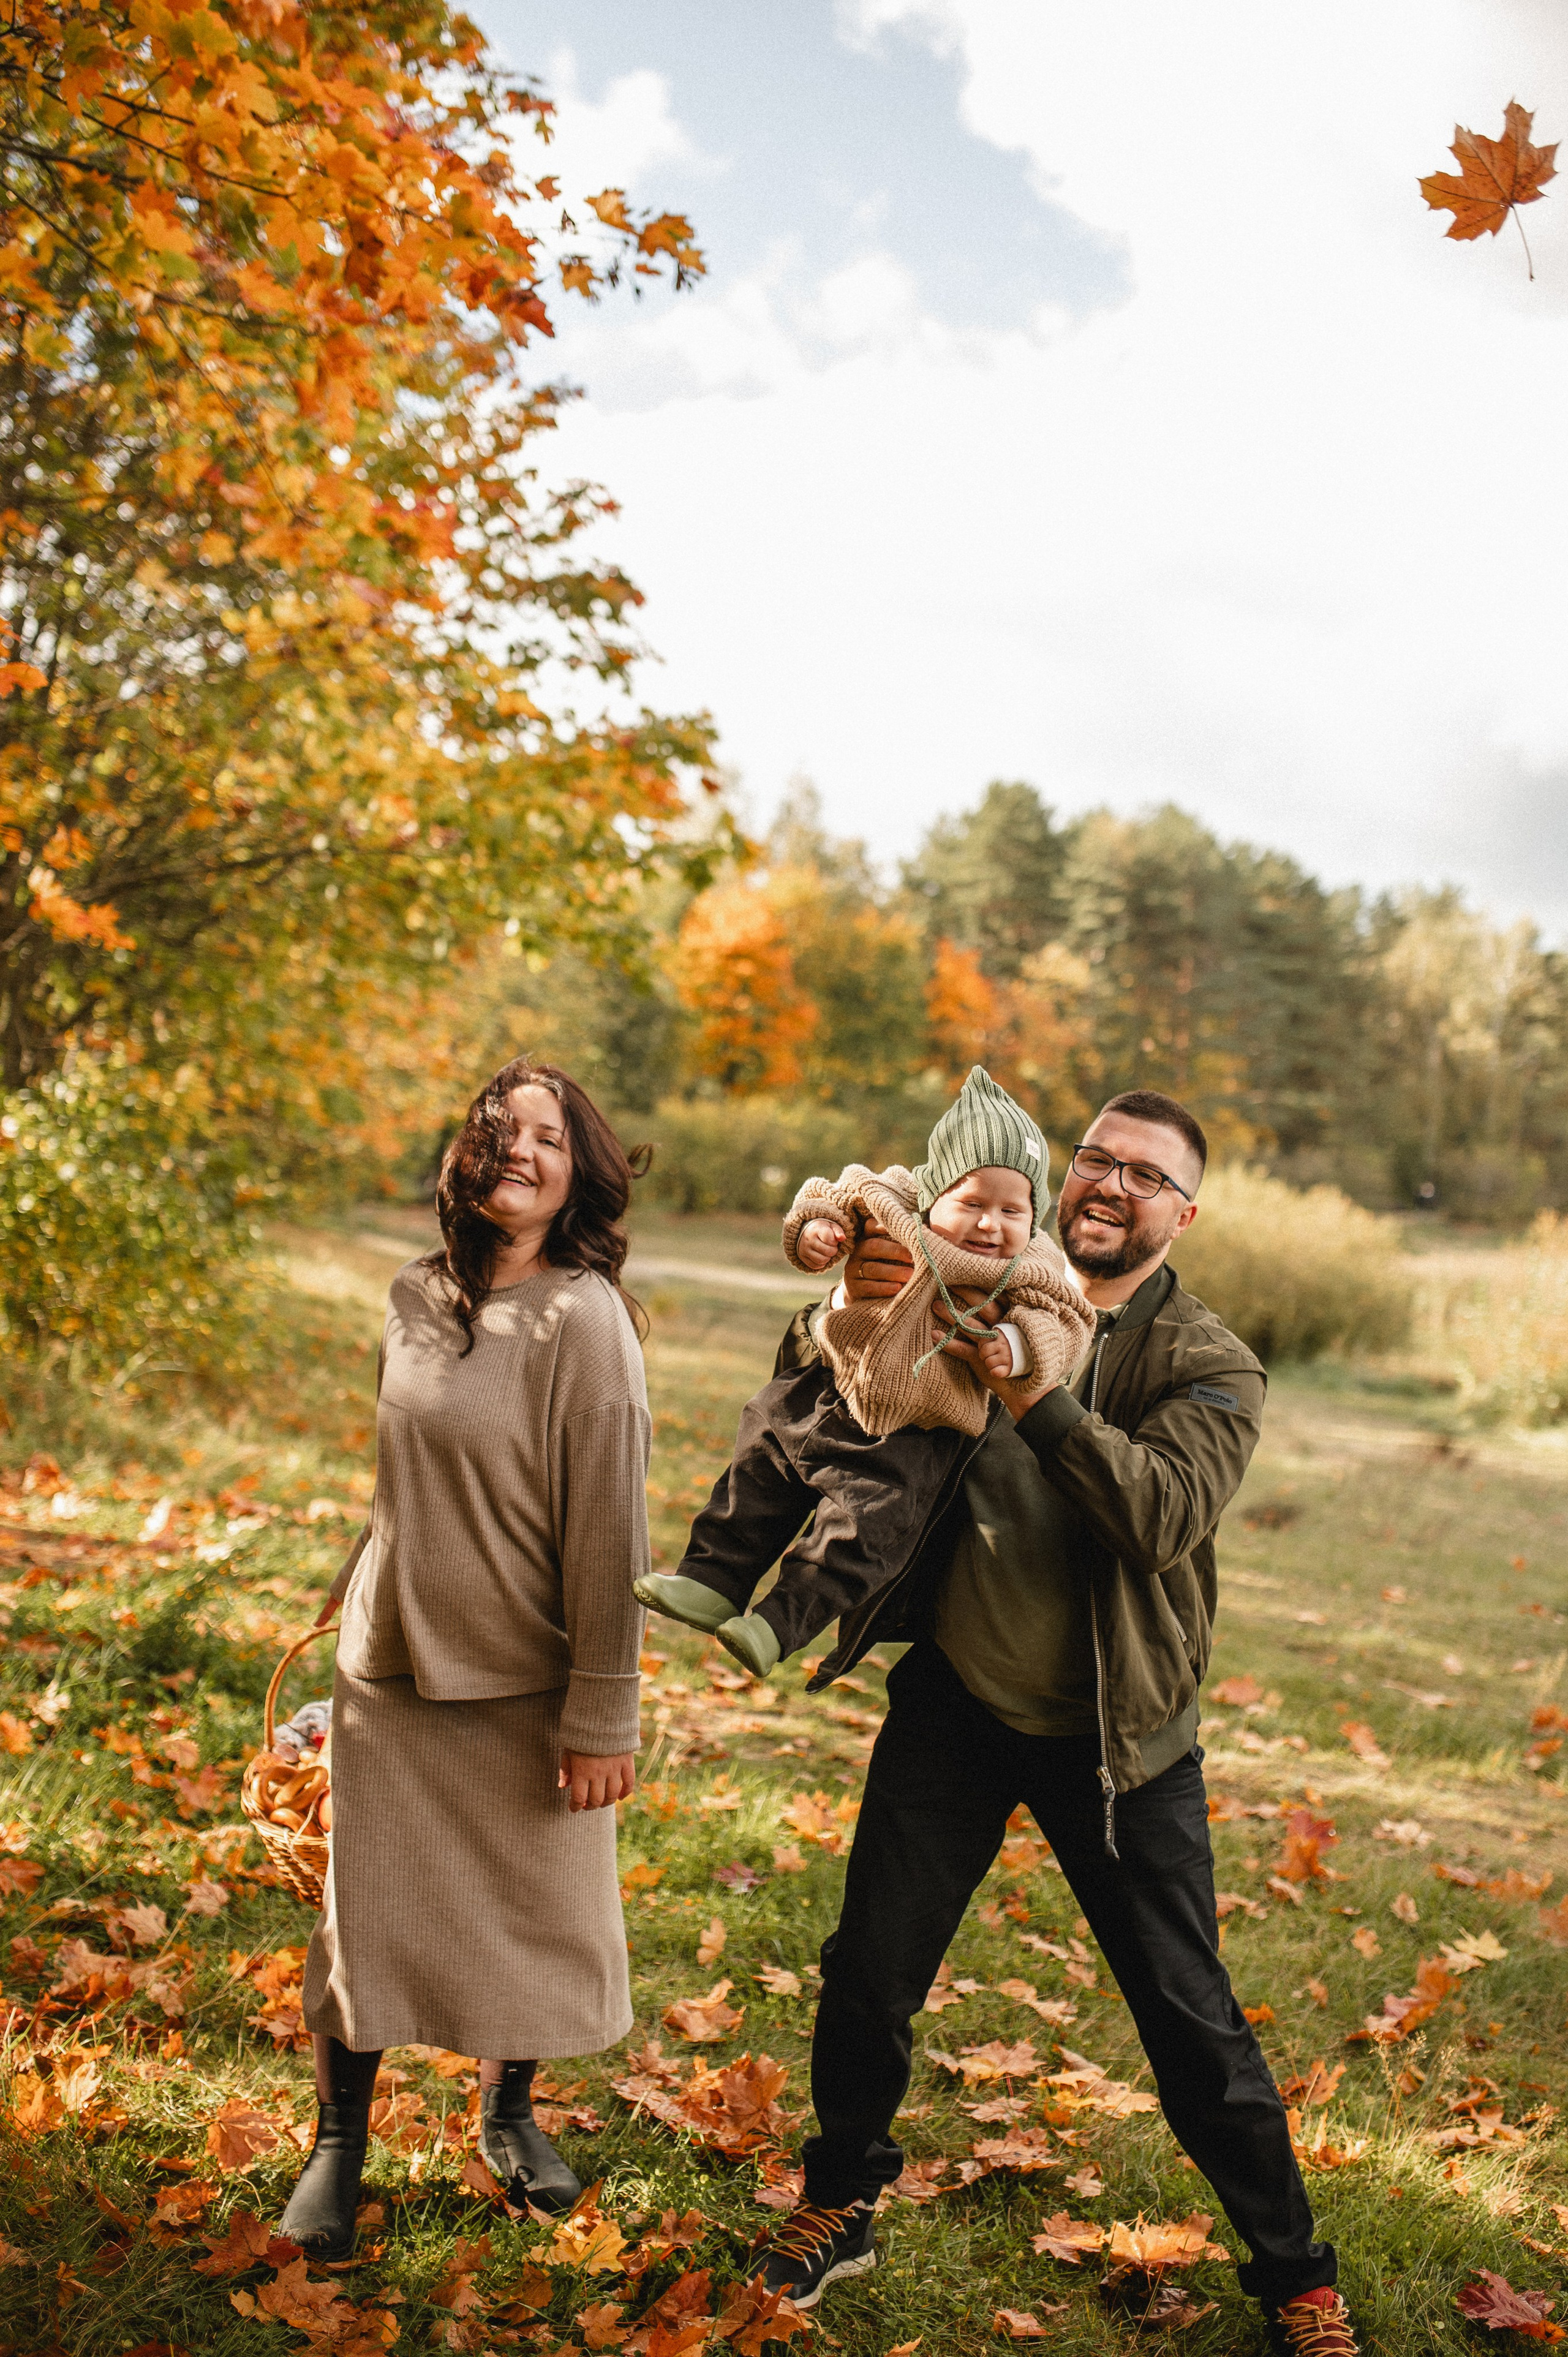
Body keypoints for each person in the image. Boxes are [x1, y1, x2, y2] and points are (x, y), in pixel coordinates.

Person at [755, 1090, 1362, 2357]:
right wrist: (849, 1281)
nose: (1107, 1183)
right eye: (1093, 1157)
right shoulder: (977, 1269)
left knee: (1189, 2020)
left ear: (1179, 1213)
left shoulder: (1202, 1359)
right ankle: (840, 2198)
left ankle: (1294, 2277)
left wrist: (1031, 1393)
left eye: (1142, 1175)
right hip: (955, 1702)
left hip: (1114, 1737)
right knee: (866, 1972)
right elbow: (829, 1395)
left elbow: (1154, 1514)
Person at [281, 1057, 650, 2260]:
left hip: (527, 1686)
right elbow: (405, 1485)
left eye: (547, 1135)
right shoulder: (413, 1294)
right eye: (499, 1130)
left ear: (577, 1167)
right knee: (365, 1916)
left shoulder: (584, 1319)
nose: (520, 1151)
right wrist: (344, 1619)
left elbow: (610, 1531)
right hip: (388, 1672)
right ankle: (339, 2143)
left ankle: (507, 2112)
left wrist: (603, 1714)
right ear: (466, 1154)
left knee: (535, 1915)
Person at [634, 1068, 1091, 1676]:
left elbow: (1069, 1321)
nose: (991, 1224)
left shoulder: (1030, 1265)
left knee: (861, 1532)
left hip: (915, 1434)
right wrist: (816, 1232)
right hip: (829, 1386)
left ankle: (777, 1623)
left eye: (1014, 1209)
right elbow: (829, 1192)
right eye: (973, 1202)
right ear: (936, 1190)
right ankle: (712, 1577)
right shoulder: (893, 1202)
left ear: (1034, 1213)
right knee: (760, 1465)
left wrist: (1018, 1340)